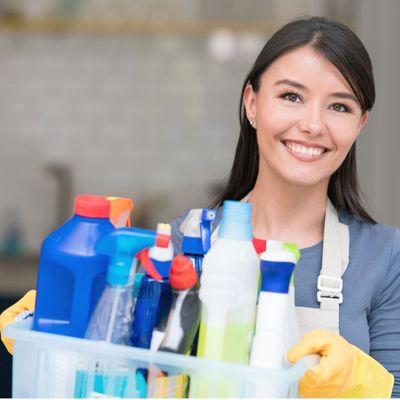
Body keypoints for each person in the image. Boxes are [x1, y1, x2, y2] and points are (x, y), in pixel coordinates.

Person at [1, 16, 399, 398]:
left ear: (360, 124)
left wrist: (365, 388)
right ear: (252, 103)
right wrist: (55, 340)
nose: (313, 125)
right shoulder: (178, 245)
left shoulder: (384, 259)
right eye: (291, 96)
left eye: (339, 107)